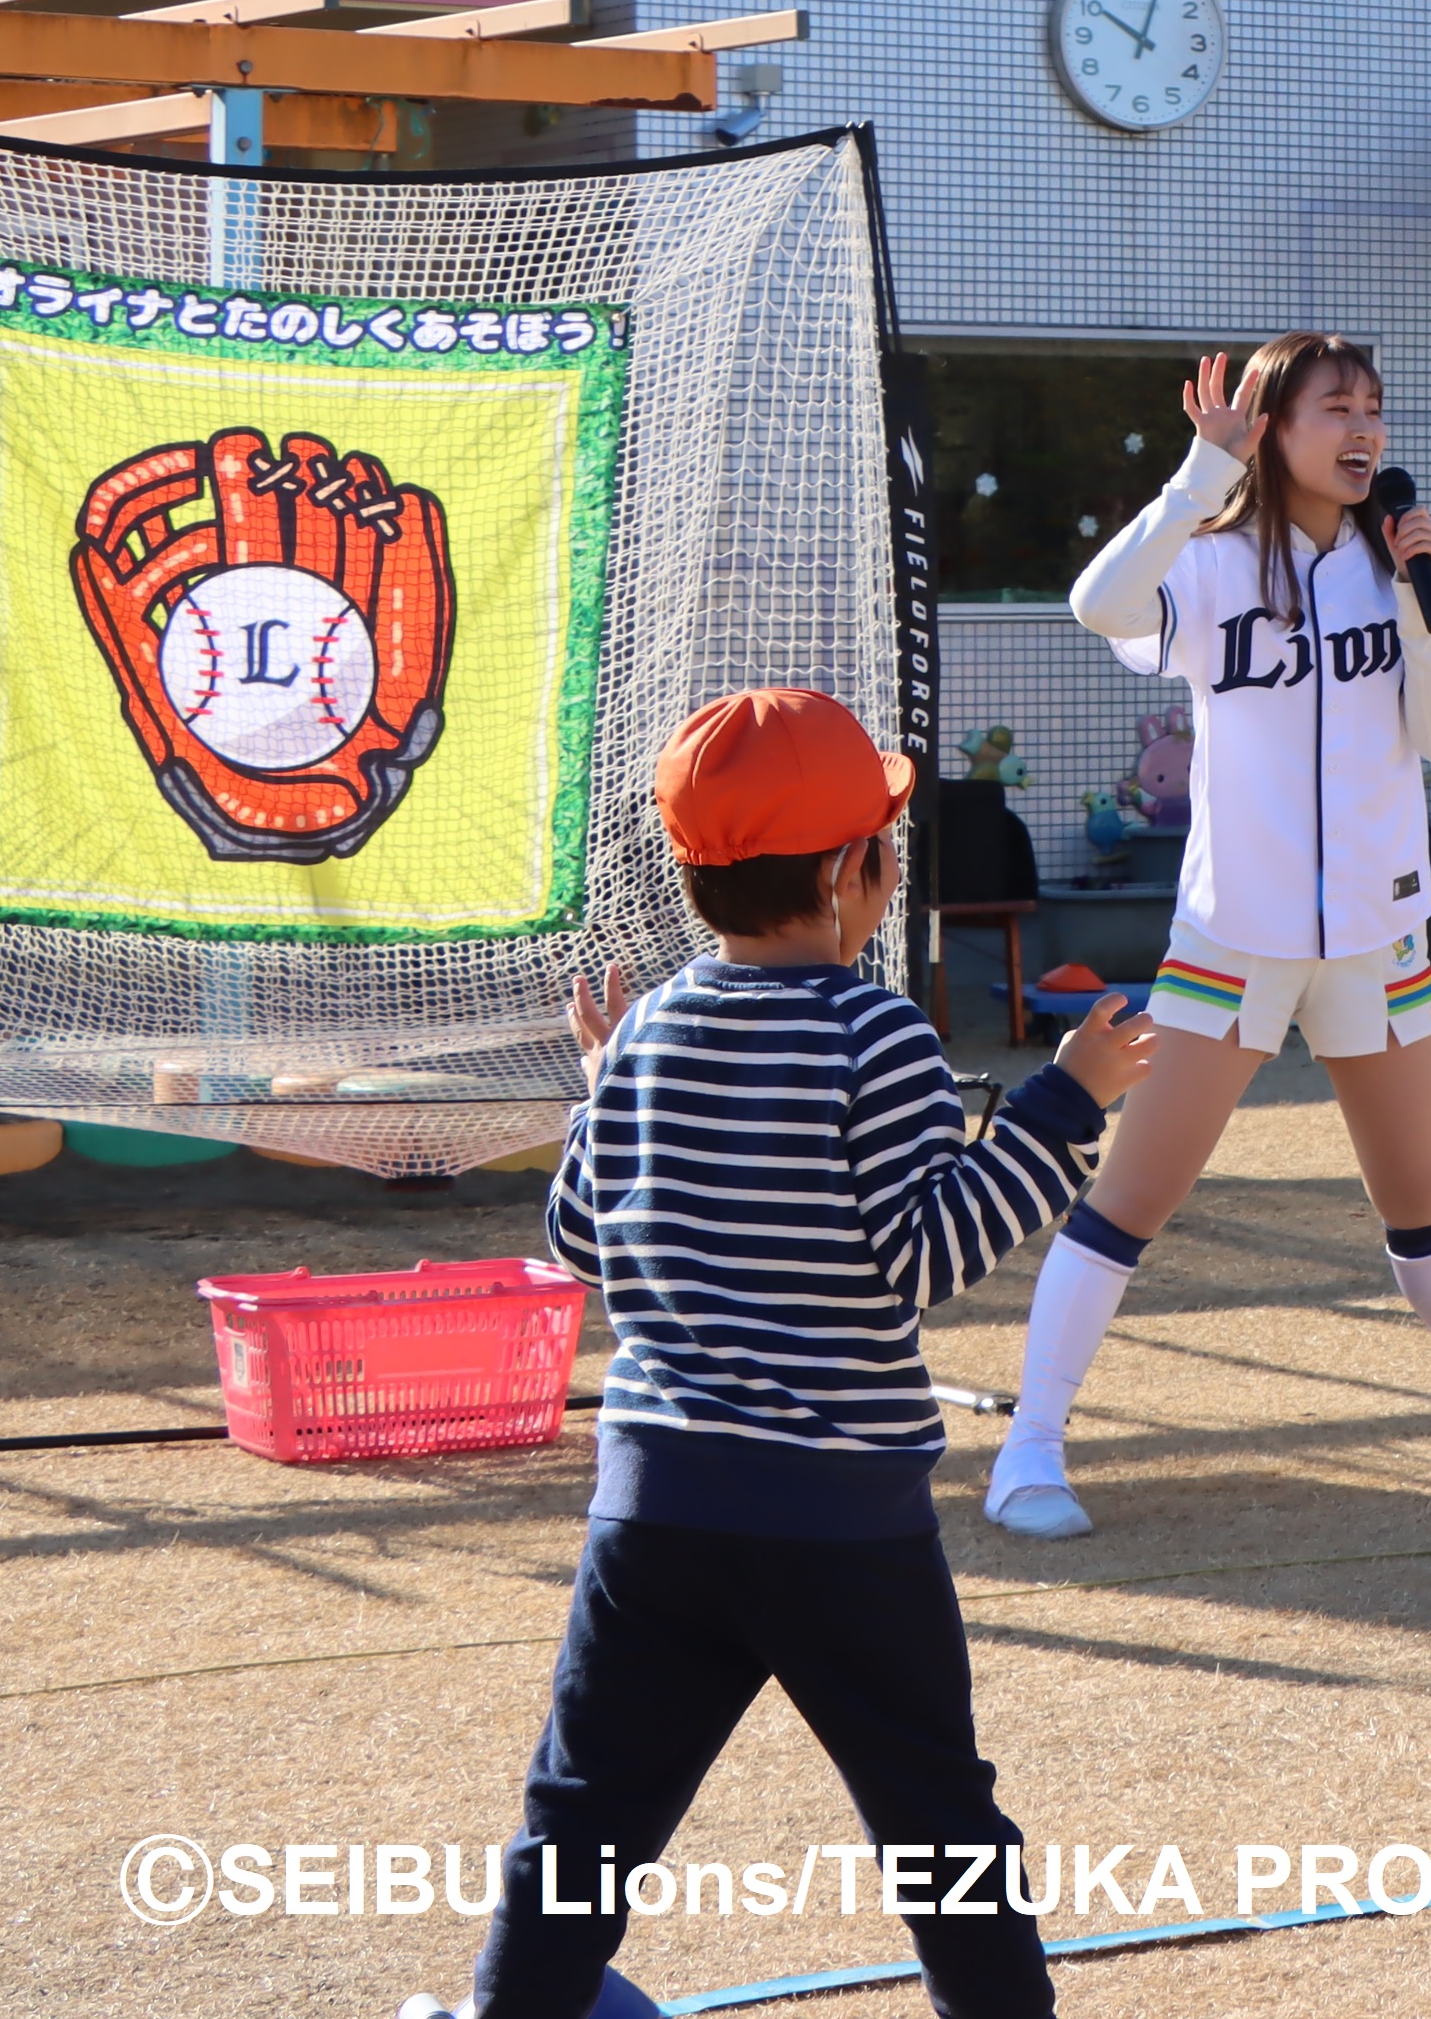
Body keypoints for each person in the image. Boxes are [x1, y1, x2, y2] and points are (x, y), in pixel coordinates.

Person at [418, 689, 1150, 2019]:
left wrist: (609, 1093)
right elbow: (930, 1256)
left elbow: (579, 1237)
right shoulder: (880, 1037)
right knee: (939, 1823)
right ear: (845, 874)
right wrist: (1063, 1106)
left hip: (658, 1510)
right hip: (840, 1524)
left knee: (581, 1821)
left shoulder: (644, 1039)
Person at [988, 334, 1431, 1539]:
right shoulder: (1207, 559)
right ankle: (1030, 1444)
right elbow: (1098, 603)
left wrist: (1425, 600)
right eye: (1334, 406)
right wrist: (1199, 473)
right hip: (1232, 930)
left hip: (1376, 930)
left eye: (1374, 409)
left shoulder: (1407, 566)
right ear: (1274, 428)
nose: (1363, 429)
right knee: (1133, 1193)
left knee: (1421, 1205)